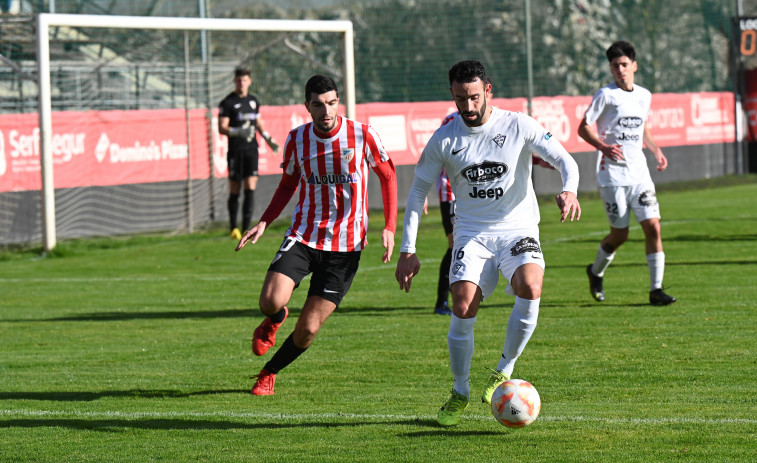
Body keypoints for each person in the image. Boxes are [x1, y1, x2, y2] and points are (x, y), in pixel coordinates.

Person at [395, 60, 581, 427]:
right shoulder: (444, 138)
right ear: (452, 95)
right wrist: (407, 249)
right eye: (460, 98)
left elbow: (564, 160)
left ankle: (503, 369)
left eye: (474, 97)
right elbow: (417, 193)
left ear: (488, 91)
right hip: (472, 233)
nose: (468, 106)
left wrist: (568, 190)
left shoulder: (517, 124)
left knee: (530, 284)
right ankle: (460, 391)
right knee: (462, 305)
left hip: (517, 227)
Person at [235, 74, 397, 396]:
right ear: (307, 106)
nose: (327, 111)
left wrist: (390, 227)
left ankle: (269, 372)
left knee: (308, 328)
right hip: (304, 235)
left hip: (346, 247)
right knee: (270, 300)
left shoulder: (363, 135)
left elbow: (388, 176)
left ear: (339, 101)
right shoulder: (297, 139)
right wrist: (265, 221)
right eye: (319, 105)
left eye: (332, 103)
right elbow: (288, 184)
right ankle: (275, 317)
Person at [577, 41, 676, 306]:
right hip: (612, 176)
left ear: (634, 65)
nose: (620, 70)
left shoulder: (644, 95)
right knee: (620, 235)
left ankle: (656, 289)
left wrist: (656, 150)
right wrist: (603, 147)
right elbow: (583, 127)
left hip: (640, 174)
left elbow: (643, 127)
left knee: (653, 227)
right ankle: (595, 271)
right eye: (614, 65)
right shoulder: (606, 96)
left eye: (624, 64)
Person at [218, 67, 280, 241]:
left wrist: (268, 138)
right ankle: (233, 228)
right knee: (235, 190)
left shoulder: (253, 101)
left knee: (250, 189)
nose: (241, 83)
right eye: (239, 80)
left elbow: (259, 122)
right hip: (235, 152)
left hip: (252, 151)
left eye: (244, 80)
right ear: (235, 81)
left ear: (249, 81)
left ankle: (246, 228)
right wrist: (238, 131)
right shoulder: (227, 102)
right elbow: (221, 127)